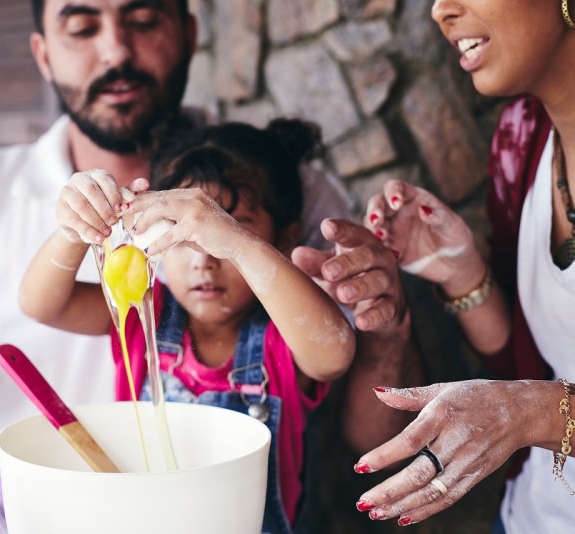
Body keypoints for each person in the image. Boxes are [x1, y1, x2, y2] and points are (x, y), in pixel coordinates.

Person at [0, 0, 416, 460]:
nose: (115, 51)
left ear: (188, 33)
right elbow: (30, 303)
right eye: (82, 28)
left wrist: (234, 236)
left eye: (140, 18)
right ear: (42, 53)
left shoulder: (278, 180)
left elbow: (340, 366)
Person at [19, 118, 355, 533]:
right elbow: (41, 305)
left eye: (229, 230)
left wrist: (237, 243)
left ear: (281, 239)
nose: (204, 258)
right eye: (180, 232)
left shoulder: (282, 334)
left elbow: (334, 352)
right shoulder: (145, 312)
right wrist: (74, 230)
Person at [350, 0, 575, 531]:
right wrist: (462, 273)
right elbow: (528, 370)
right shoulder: (520, 139)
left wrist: (535, 414)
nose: (439, 11)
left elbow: (529, 400)